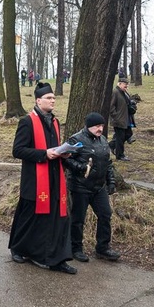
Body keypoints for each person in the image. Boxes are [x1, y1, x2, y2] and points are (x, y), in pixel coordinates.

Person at [8, 82, 77, 274]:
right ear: (38, 101)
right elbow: (18, 150)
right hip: (34, 179)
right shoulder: (27, 122)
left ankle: (57, 258)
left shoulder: (54, 121)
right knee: (29, 217)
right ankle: (18, 248)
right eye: (49, 98)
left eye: (54, 98)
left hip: (54, 177)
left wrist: (64, 153)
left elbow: (54, 147)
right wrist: (43, 154)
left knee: (56, 219)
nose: (53, 101)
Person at [64, 112, 121, 263]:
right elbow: (66, 160)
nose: (100, 129)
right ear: (89, 126)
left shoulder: (103, 140)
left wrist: (111, 182)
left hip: (99, 187)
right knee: (78, 219)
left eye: (102, 125)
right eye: (97, 126)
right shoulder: (76, 139)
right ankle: (75, 248)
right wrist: (81, 168)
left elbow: (108, 163)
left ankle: (103, 248)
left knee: (105, 214)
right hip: (80, 186)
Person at [109, 79, 135, 162]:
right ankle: (120, 155)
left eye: (127, 84)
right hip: (118, 120)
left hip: (125, 119)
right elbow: (111, 107)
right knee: (120, 138)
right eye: (124, 84)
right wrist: (116, 117)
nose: (126, 86)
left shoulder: (124, 93)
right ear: (119, 84)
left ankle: (112, 145)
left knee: (129, 134)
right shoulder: (115, 92)